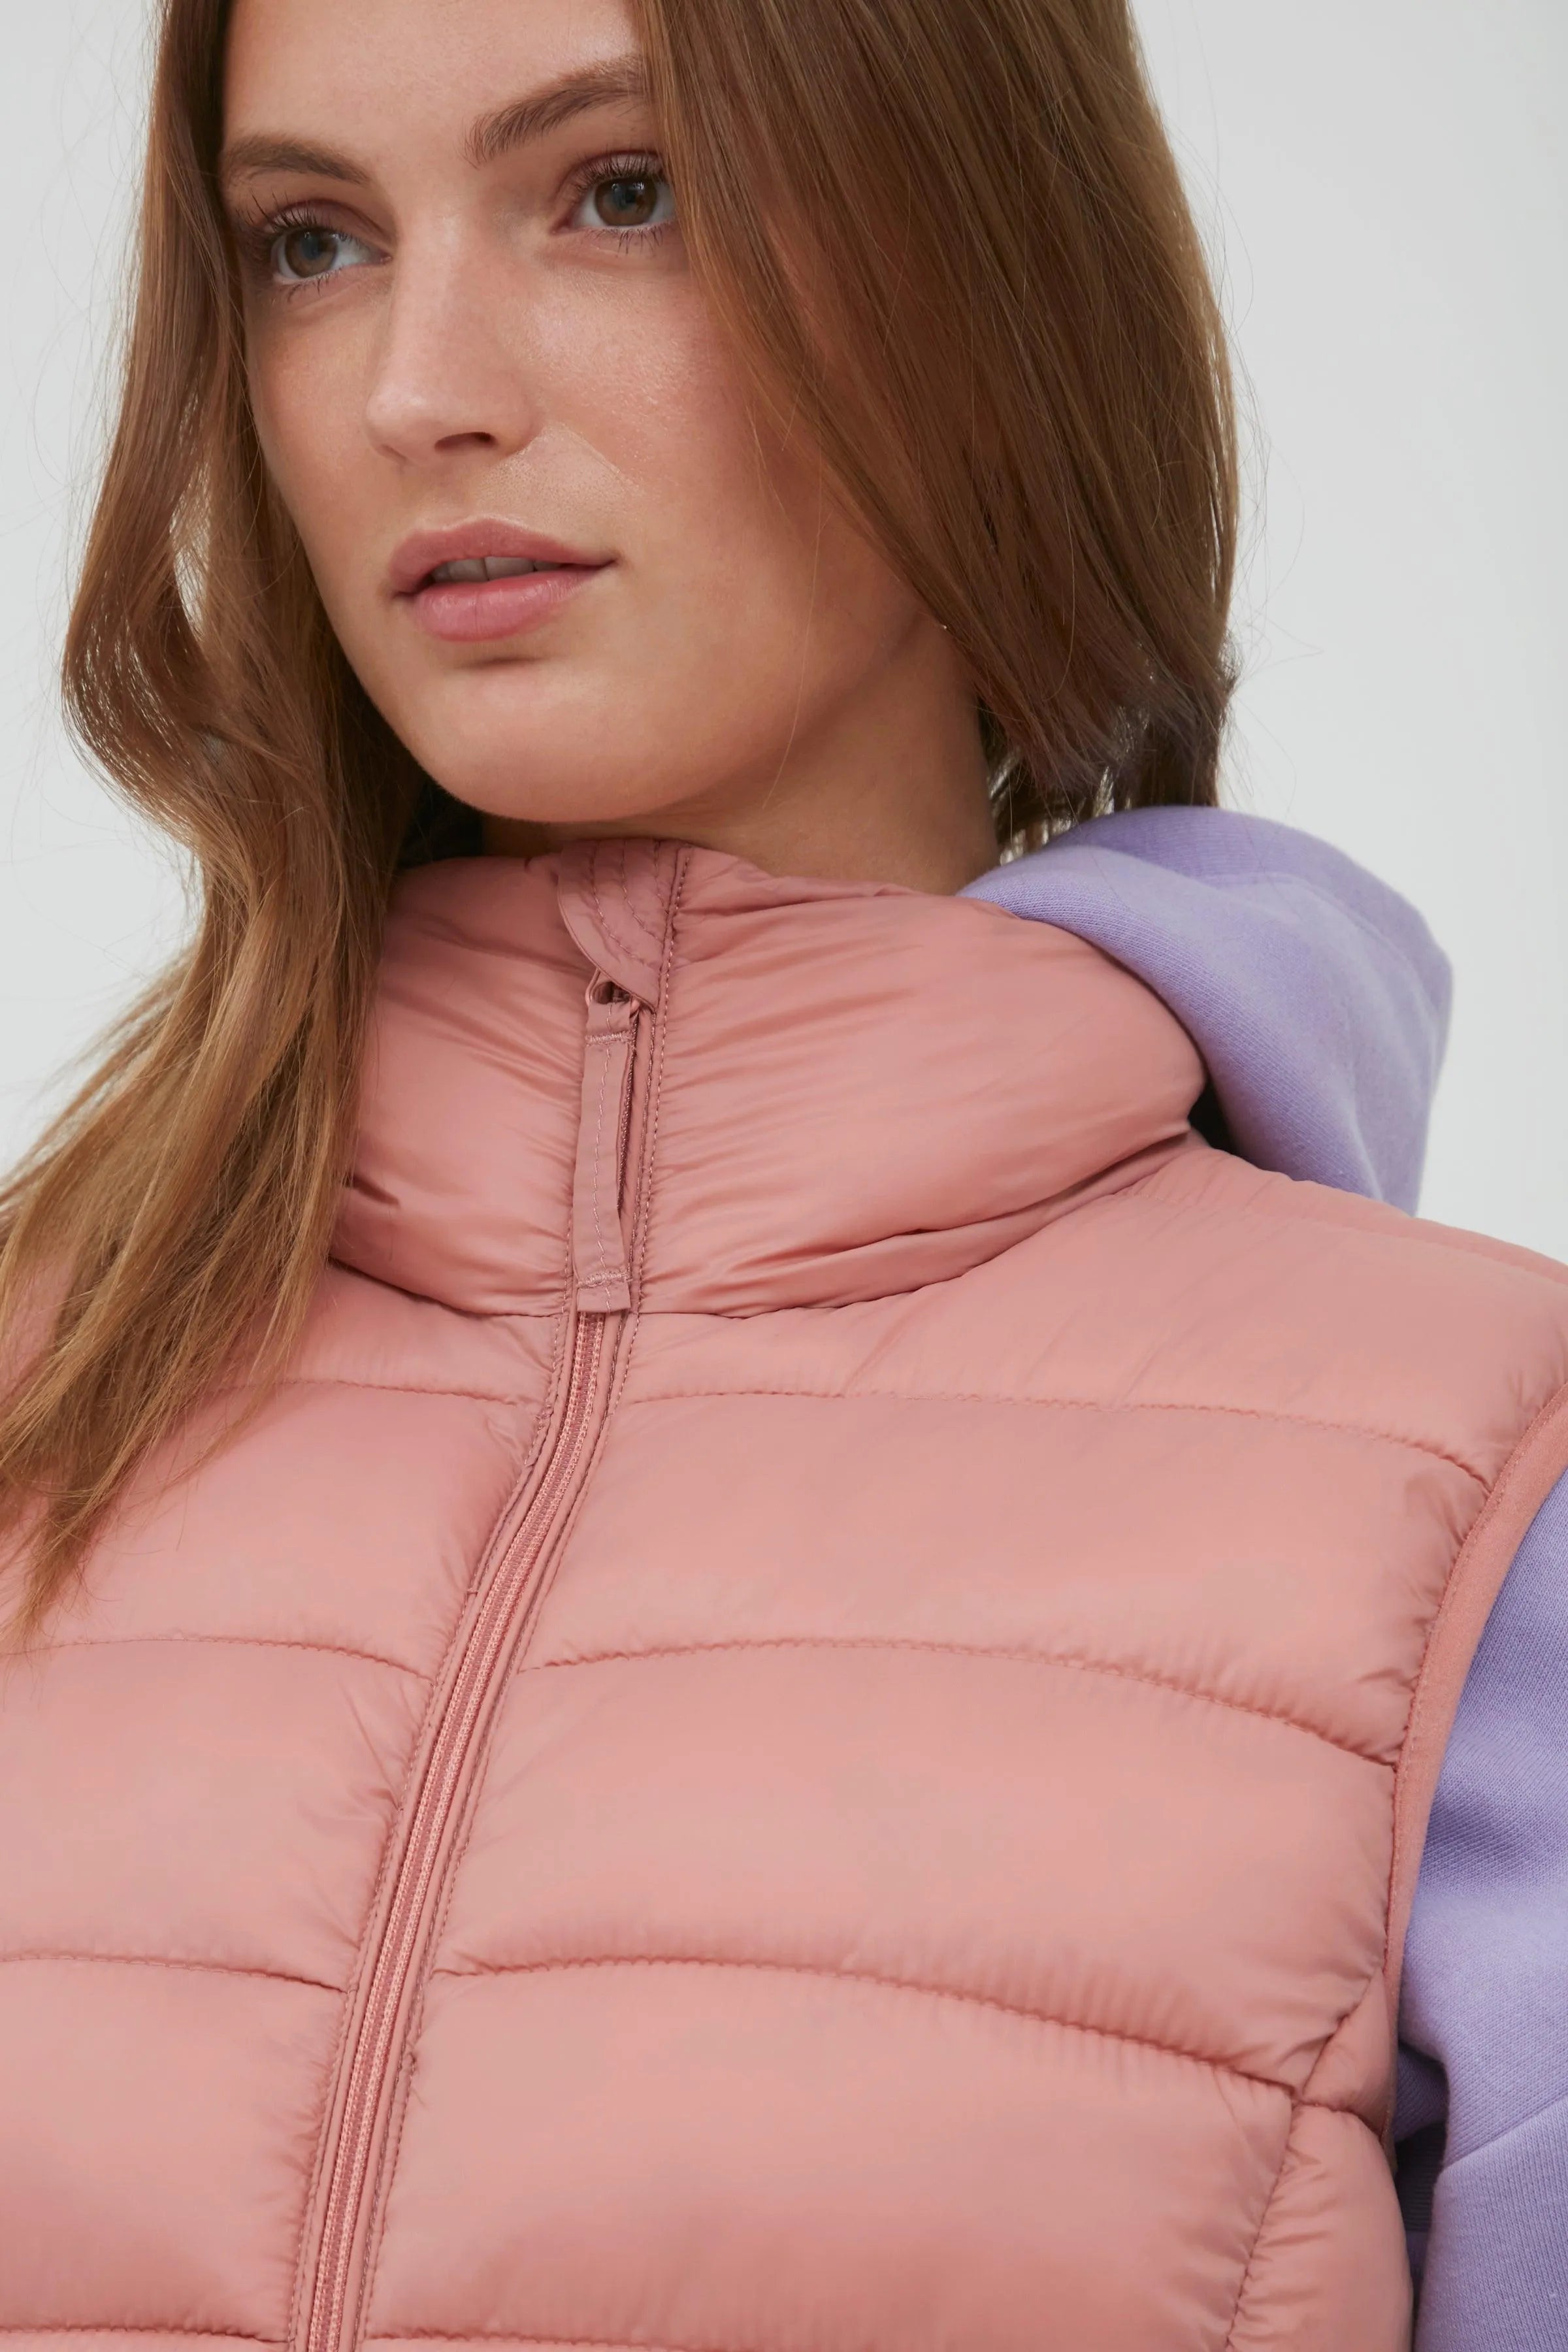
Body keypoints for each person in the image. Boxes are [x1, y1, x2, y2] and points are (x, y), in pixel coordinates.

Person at [0, 0, 1563, 2344]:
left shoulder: (1479, 1507)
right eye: (313, 240)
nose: (420, 388)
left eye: (620, 194)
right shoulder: (49, 1396)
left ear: (986, 269)